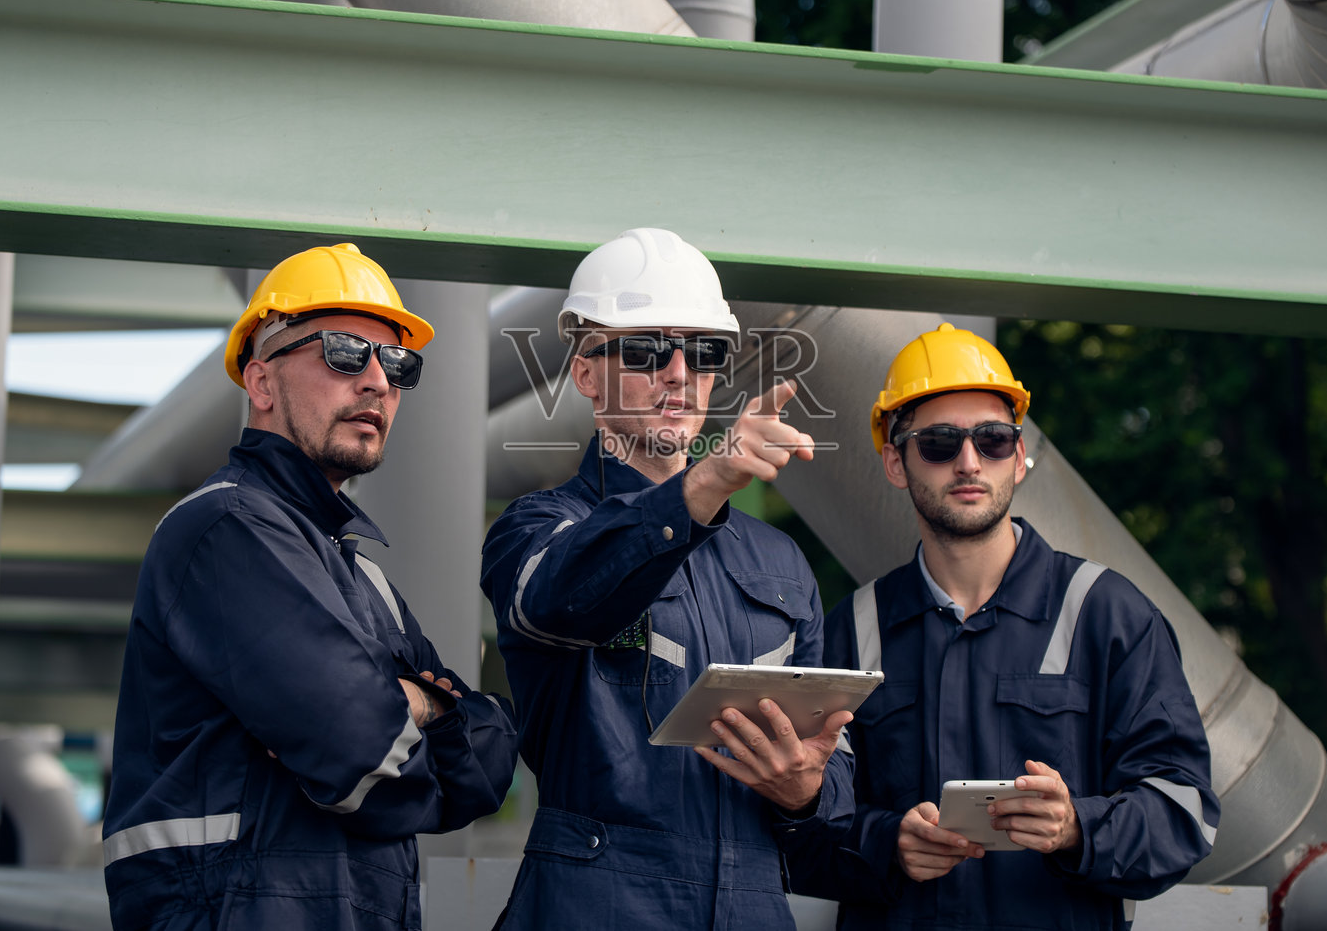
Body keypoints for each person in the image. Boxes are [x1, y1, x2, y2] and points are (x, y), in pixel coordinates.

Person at [102, 243, 518, 930]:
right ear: (262, 383)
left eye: (398, 363)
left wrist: (420, 706)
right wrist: (420, 711)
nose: (378, 382)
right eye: (345, 353)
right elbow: (361, 759)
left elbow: (484, 771)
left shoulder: (361, 573)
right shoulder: (227, 529)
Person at [480, 227, 856, 928]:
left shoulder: (780, 561)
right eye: (647, 350)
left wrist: (808, 791)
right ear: (586, 374)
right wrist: (702, 486)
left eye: (703, 352)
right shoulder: (534, 528)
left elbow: (835, 773)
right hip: (598, 906)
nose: (679, 372)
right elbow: (557, 598)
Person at [818, 323, 1218, 930]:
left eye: (993, 440)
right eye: (939, 443)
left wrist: (1078, 828)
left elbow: (1184, 811)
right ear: (896, 463)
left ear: (1020, 457)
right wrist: (886, 844)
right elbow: (800, 820)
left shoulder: (1106, 614)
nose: (969, 462)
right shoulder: (852, 629)